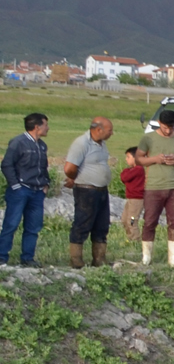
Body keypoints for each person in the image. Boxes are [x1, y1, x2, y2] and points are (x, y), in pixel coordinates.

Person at [136, 109, 174, 267]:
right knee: (149, 222)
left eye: (171, 128)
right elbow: (138, 159)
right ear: (159, 123)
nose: (168, 131)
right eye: (165, 127)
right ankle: (146, 257)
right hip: (153, 186)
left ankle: (172, 259)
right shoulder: (148, 138)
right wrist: (154, 159)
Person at [62, 116, 114, 270]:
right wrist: (74, 178)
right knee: (82, 223)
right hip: (86, 190)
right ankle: (76, 259)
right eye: (110, 130)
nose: (112, 133)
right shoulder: (81, 143)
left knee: (102, 224)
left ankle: (99, 258)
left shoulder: (102, 144)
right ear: (99, 129)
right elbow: (69, 168)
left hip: (101, 190)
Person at [2, 112, 51, 266]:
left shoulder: (42, 145)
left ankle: (27, 258)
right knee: (11, 224)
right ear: (37, 127)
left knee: (33, 226)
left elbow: (43, 167)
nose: (48, 128)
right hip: (21, 190)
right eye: (46, 125)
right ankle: (2, 256)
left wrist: (46, 183)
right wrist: (15, 185)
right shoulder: (18, 142)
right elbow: (6, 164)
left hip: (37, 192)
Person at [119, 145, 146, 246]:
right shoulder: (133, 169)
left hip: (137, 200)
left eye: (128, 157)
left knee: (132, 220)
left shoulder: (138, 169)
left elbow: (125, 177)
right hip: (130, 199)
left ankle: (135, 240)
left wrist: (125, 171)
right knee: (124, 219)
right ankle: (130, 237)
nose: (126, 159)